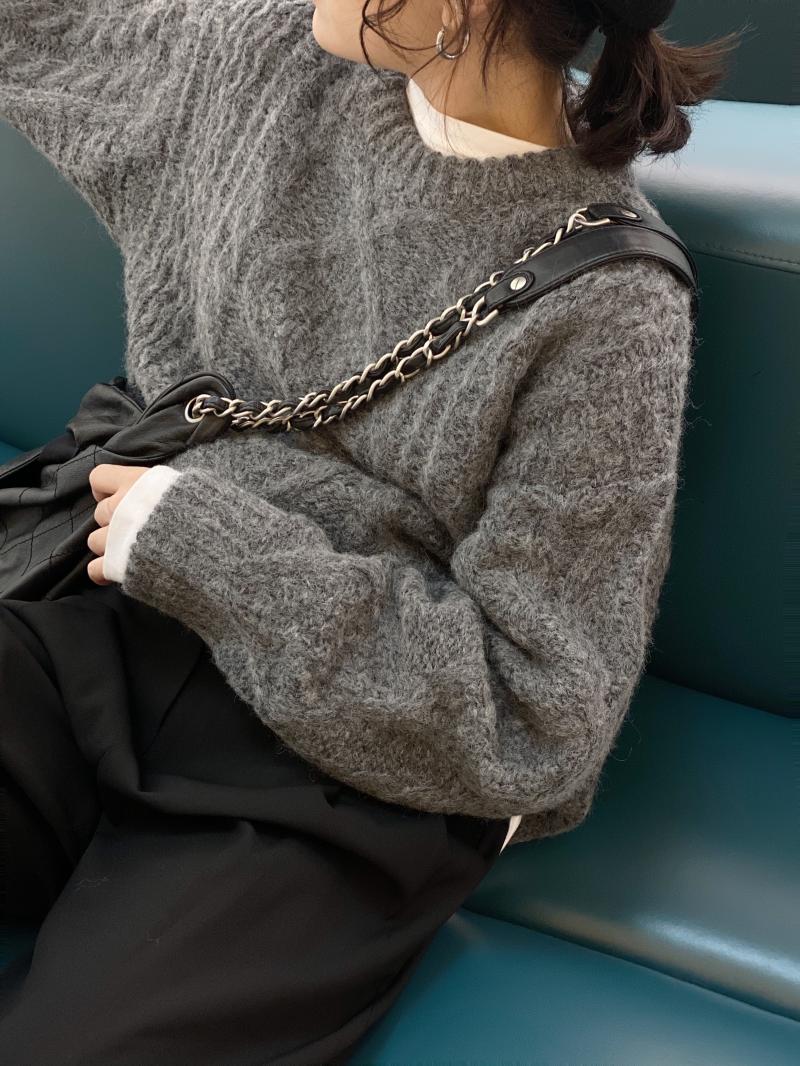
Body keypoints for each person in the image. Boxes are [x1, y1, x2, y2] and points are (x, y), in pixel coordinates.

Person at [0, 1, 739, 1062]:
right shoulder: (269, 61)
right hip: (116, 619)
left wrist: (223, 559)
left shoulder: (611, 305)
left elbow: (535, 716)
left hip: (348, 780)